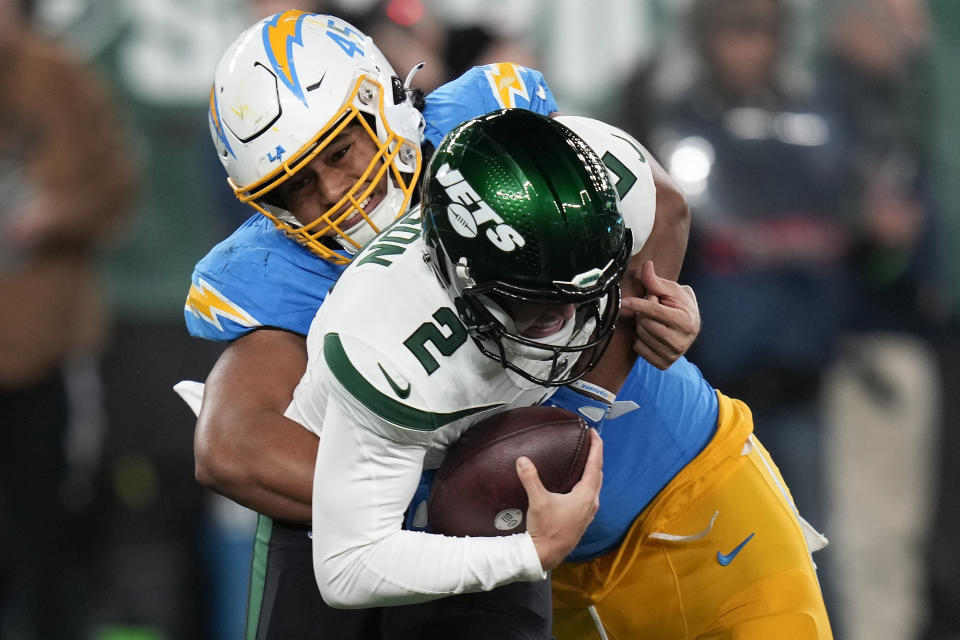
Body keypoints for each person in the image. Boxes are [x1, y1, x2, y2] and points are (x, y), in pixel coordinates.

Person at [183, 10, 693, 638]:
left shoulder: (486, 131)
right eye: (296, 188)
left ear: (382, 101)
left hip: (523, 531)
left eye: (340, 151)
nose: (333, 192)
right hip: (339, 543)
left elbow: (658, 205)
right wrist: (441, 486)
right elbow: (230, 448)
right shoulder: (271, 268)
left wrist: (640, 317)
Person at [0, 0, 137, 637]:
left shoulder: (60, 77)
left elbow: (114, 186)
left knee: (47, 532)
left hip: (41, 351)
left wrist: (57, 212)